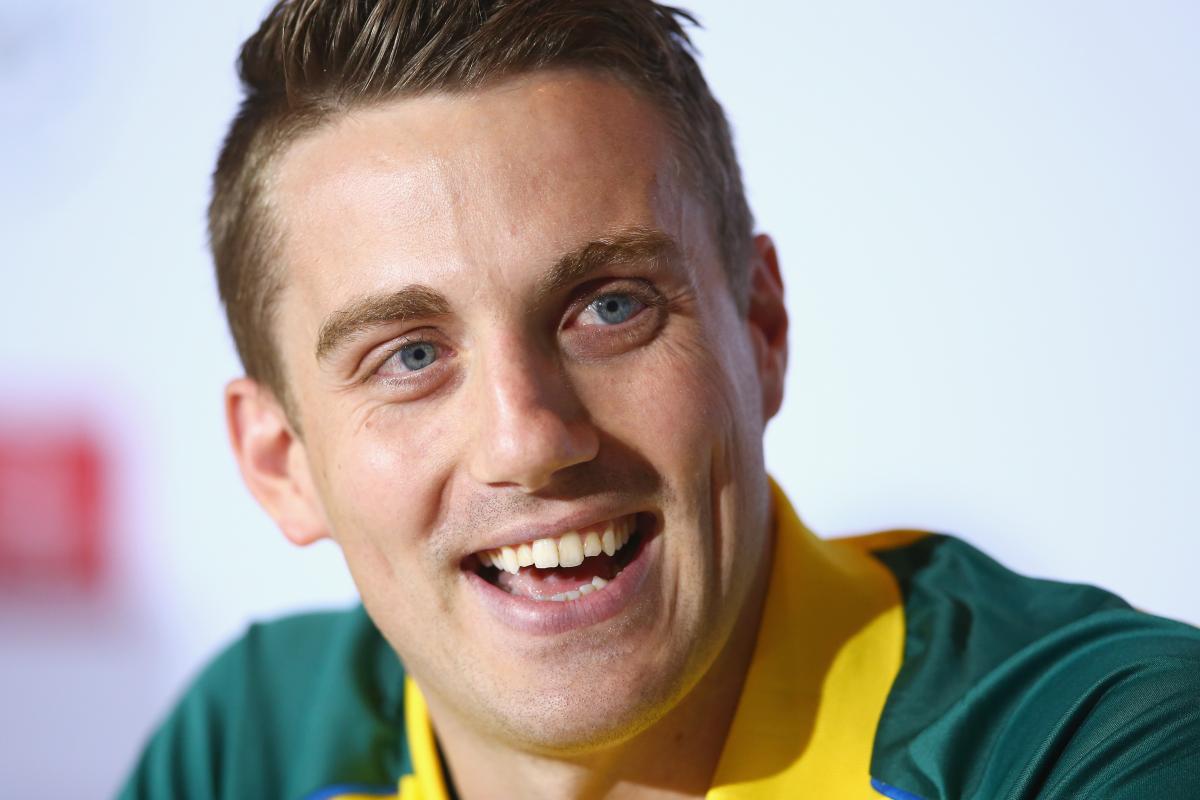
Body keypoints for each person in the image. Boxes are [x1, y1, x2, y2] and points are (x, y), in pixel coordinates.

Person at [119, 1, 1200, 798]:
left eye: (609, 307)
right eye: (409, 356)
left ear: (761, 328)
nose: (530, 435)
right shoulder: (252, 741)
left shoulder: (1096, 742)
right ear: (279, 461)